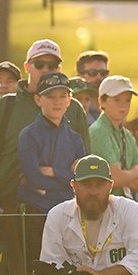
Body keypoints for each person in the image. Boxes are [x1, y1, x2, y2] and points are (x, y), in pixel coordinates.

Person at [38, 154, 138, 275]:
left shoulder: (130, 210)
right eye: (86, 185)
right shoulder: (57, 215)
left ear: (111, 186)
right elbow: (50, 262)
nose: (93, 192)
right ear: (74, 186)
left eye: (100, 185)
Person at [17, 72, 88, 264]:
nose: (57, 102)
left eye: (62, 96)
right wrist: (68, 177)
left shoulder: (74, 138)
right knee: (38, 268)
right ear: (38, 99)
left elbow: (83, 180)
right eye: (50, 96)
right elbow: (34, 180)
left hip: (69, 213)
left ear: (69, 100)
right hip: (37, 213)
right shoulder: (29, 135)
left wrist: (54, 172)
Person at [88, 75, 138, 201]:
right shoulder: (98, 131)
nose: (123, 105)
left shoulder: (127, 135)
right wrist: (135, 172)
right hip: (102, 206)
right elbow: (115, 178)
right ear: (102, 101)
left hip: (124, 205)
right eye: (116, 99)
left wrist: (123, 175)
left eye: (127, 100)